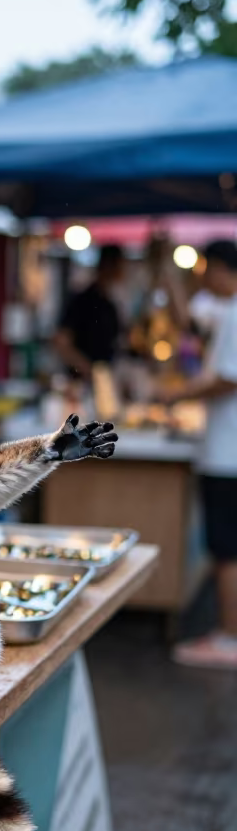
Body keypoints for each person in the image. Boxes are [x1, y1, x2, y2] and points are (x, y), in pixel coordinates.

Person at [156, 240, 237, 668]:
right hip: (226, 449)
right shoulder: (226, 309)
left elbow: (227, 378)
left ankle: (228, 636)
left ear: (224, 269)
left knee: (226, 548)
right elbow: (189, 324)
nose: (204, 276)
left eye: (207, 269)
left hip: (228, 452)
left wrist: (177, 394)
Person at [54, 243, 126, 378]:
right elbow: (61, 341)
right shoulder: (83, 300)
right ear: (108, 266)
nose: (123, 272)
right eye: (121, 266)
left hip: (105, 379)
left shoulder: (110, 304)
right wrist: (88, 370)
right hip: (81, 382)